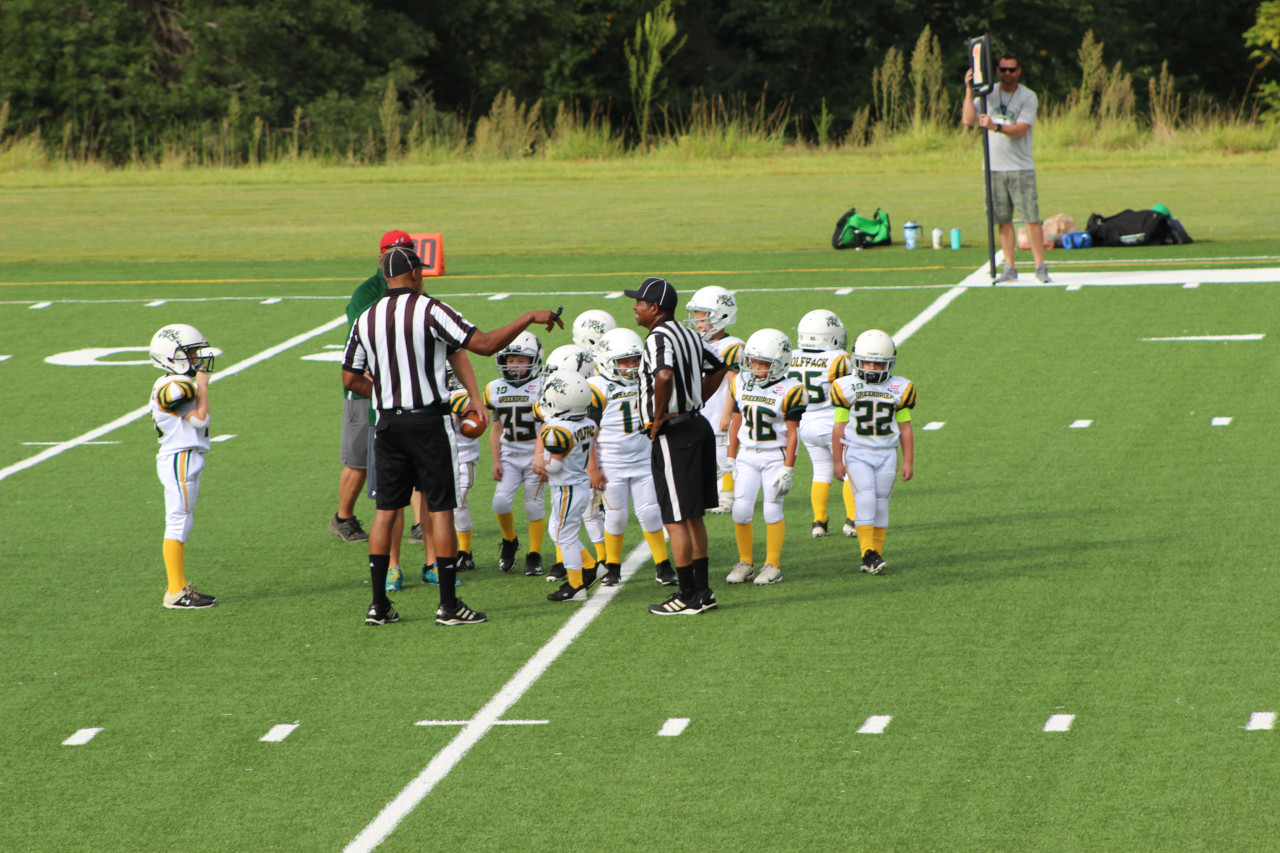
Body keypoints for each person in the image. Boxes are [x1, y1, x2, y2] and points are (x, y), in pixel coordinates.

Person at [342, 245, 564, 626]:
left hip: (388, 424)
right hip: (428, 422)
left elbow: (350, 378)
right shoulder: (430, 309)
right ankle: (448, 604)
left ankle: (378, 605)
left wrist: (384, 394)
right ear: (413, 275)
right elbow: (484, 344)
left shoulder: (366, 318)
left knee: (385, 511)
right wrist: (528, 316)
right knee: (440, 507)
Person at [628, 277, 728, 615]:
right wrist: (694, 401)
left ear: (654, 308)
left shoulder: (659, 337)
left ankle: (686, 595)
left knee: (675, 518)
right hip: (696, 426)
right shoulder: (687, 334)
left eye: (639, 302)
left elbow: (665, 375)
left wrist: (659, 417)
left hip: (676, 433)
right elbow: (719, 368)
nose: (634, 307)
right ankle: (703, 591)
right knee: (694, 516)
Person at [331, 229, 410, 543]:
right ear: (381, 256)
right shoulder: (367, 293)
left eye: (406, 252)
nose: (400, 257)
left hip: (403, 388)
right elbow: (359, 342)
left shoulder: (416, 288)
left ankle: (418, 524)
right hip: (366, 386)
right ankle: (343, 517)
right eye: (393, 251)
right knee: (360, 458)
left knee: (409, 455)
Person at [586, 327, 675, 587]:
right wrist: (592, 466)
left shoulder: (646, 380)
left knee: (650, 513)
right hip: (611, 462)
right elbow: (589, 431)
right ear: (606, 360)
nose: (631, 366)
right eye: (624, 361)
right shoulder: (597, 387)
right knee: (616, 516)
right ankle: (612, 566)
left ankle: (663, 564)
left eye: (635, 360)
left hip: (644, 459)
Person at [830, 329, 916, 575]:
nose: (872, 368)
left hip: (887, 453)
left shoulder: (901, 388)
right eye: (867, 362)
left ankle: (874, 554)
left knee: (881, 502)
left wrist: (908, 459)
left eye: (878, 364)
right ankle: (867, 552)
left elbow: (905, 427)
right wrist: (838, 460)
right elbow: (839, 426)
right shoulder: (846, 386)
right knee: (865, 498)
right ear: (857, 361)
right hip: (858, 451)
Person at [725, 329, 806, 585]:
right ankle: (745, 562)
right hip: (747, 454)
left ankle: (773, 564)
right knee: (740, 510)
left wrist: (789, 467)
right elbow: (735, 422)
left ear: (780, 363)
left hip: (774, 456)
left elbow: (793, 434)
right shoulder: (740, 382)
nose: (756, 368)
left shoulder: (791, 389)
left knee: (772, 510)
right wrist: (731, 456)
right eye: (753, 362)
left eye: (763, 363)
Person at [962, 52, 1051, 284]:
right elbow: (967, 119)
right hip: (993, 168)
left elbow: (1021, 129)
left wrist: (995, 126)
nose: (1007, 74)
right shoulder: (987, 94)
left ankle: (1040, 265)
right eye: (1003, 70)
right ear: (997, 71)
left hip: (1020, 167)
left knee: (1031, 217)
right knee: (1003, 218)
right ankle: (1010, 266)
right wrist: (969, 89)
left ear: (1019, 71)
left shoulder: (1028, 96)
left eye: (1012, 70)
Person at [148, 323, 218, 609]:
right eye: (189, 353)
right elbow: (200, 419)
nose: (197, 359)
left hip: (186, 455)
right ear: (170, 356)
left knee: (182, 520)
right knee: (178, 521)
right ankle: (176, 591)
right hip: (179, 457)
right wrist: (202, 386)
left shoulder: (178, 383)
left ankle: (179, 586)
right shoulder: (174, 386)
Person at [485, 332, 549, 576]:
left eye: (521, 360)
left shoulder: (542, 387)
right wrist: (496, 460)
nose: (514, 365)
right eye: (510, 360)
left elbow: (546, 426)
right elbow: (496, 428)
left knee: (534, 507)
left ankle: (534, 554)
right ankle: (510, 540)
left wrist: (543, 457)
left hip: (535, 453)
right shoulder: (496, 388)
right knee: (499, 503)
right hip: (510, 456)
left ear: (534, 360)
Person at [535, 373, 601, 602]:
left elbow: (553, 466)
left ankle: (576, 586)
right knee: (557, 531)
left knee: (565, 537)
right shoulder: (589, 423)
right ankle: (592, 567)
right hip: (578, 484)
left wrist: (538, 464)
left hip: (567, 488)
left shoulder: (557, 429)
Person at [789, 309, 854, 538]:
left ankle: (819, 522)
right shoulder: (839, 359)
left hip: (805, 424)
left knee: (821, 472)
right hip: (833, 422)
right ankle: (852, 521)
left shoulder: (791, 356)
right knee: (850, 471)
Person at [684, 285, 744, 512]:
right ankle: (709, 494)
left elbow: (734, 384)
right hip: (702, 409)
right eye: (696, 319)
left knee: (722, 455)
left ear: (722, 316)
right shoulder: (697, 342)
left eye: (703, 319)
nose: (698, 324)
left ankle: (728, 495)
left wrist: (728, 412)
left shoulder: (732, 346)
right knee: (702, 456)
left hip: (719, 408)